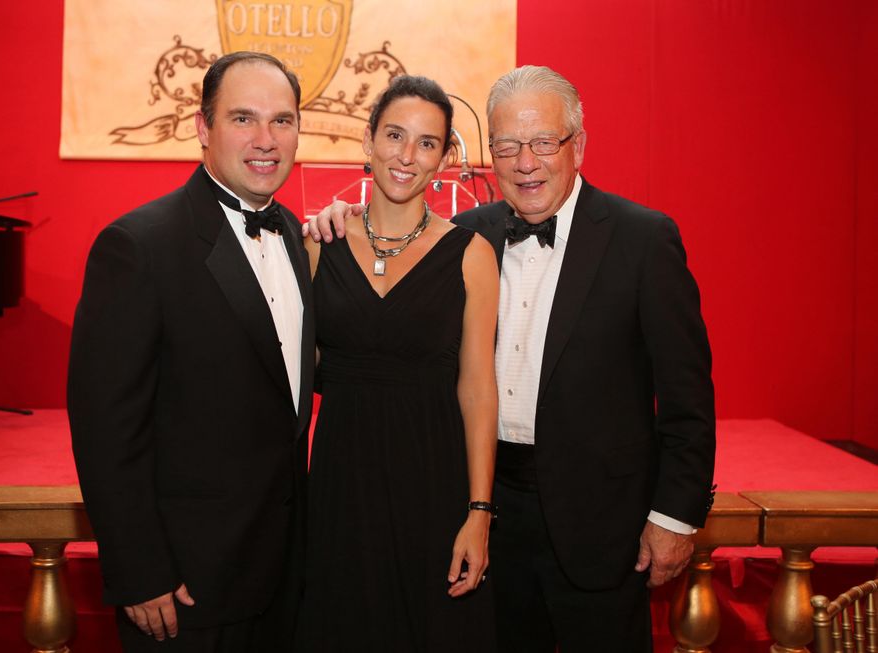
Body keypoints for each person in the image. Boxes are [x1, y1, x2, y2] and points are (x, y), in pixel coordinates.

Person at [306, 64, 716, 652]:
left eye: (544, 143)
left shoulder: (643, 240)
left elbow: (688, 397)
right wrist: (329, 222)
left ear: (579, 145)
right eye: (507, 146)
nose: (526, 163)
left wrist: (674, 517)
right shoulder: (466, 239)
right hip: (480, 510)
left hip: (600, 524)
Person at [68, 51, 314, 653]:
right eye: (243, 119)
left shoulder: (298, 238)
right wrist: (139, 570)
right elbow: (106, 429)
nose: (266, 139)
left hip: (286, 576)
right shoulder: (138, 247)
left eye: (282, 121)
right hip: (183, 590)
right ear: (203, 128)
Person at [297, 75, 500, 652]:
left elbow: (479, 390)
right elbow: (291, 369)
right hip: (340, 488)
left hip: (434, 488)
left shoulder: (471, 255)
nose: (407, 156)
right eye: (394, 135)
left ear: (444, 158)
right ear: (367, 141)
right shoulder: (319, 242)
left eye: (427, 143)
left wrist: (479, 512)